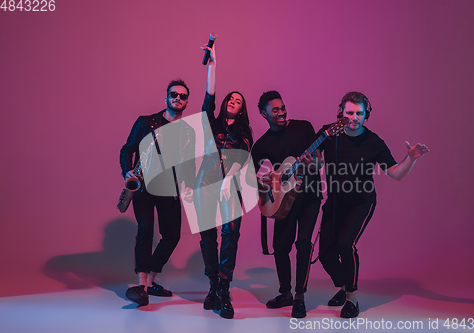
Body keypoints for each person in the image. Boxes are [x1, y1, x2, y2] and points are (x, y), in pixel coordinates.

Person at [317, 91, 430, 318]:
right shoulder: (329, 133)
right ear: (341, 112)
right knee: (325, 255)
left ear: (366, 114)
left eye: (359, 113)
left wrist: (411, 158)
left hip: (361, 201)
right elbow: (317, 160)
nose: (354, 117)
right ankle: (343, 285)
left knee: (345, 245)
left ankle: (352, 299)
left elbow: (396, 174)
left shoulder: (373, 141)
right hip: (336, 201)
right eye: (350, 112)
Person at [119, 79, 195, 306]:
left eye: (182, 96)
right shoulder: (145, 122)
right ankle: (141, 286)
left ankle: (150, 282)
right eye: (174, 94)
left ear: (186, 102)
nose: (177, 99)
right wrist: (127, 172)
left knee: (172, 236)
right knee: (145, 229)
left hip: (169, 187)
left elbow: (188, 162)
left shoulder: (188, 131)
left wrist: (187, 184)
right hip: (143, 185)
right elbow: (127, 149)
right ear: (166, 97)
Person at [251, 91, 323, 318]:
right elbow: (253, 176)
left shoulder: (304, 127)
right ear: (263, 114)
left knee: (303, 243)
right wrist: (265, 182)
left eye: (282, 107)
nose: (281, 112)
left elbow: (319, 162)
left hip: (310, 195)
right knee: (281, 247)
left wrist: (312, 163)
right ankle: (285, 294)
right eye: (275, 110)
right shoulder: (261, 145)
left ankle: (299, 298)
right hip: (283, 200)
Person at [194, 42, 253, 319]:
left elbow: (242, 158)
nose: (232, 101)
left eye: (237, 100)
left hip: (231, 187)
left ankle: (224, 289)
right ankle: (212, 285)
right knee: (208, 238)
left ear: (242, 109)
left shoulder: (245, 131)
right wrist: (213, 64)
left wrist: (229, 180)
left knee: (230, 235)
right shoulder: (212, 123)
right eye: (230, 98)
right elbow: (209, 95)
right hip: (205, 184)